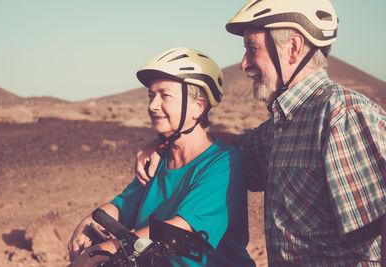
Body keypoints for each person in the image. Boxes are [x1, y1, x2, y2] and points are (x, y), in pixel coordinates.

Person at [135, 0, 386, 266]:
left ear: (293, 48)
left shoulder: (342, 116)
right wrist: (166, 140)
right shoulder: (283, 125)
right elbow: (226, 148)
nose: (243, 64)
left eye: (251, 48)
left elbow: (380, 229)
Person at [68, 47, 255, 267]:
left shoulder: (224, 163)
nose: (152, 105)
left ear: (198, 107)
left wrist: (102, 251)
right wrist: (89, 222)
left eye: (164, 95)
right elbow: (122, 206)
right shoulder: (158, 160)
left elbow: (177, 231)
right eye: (151, 95)